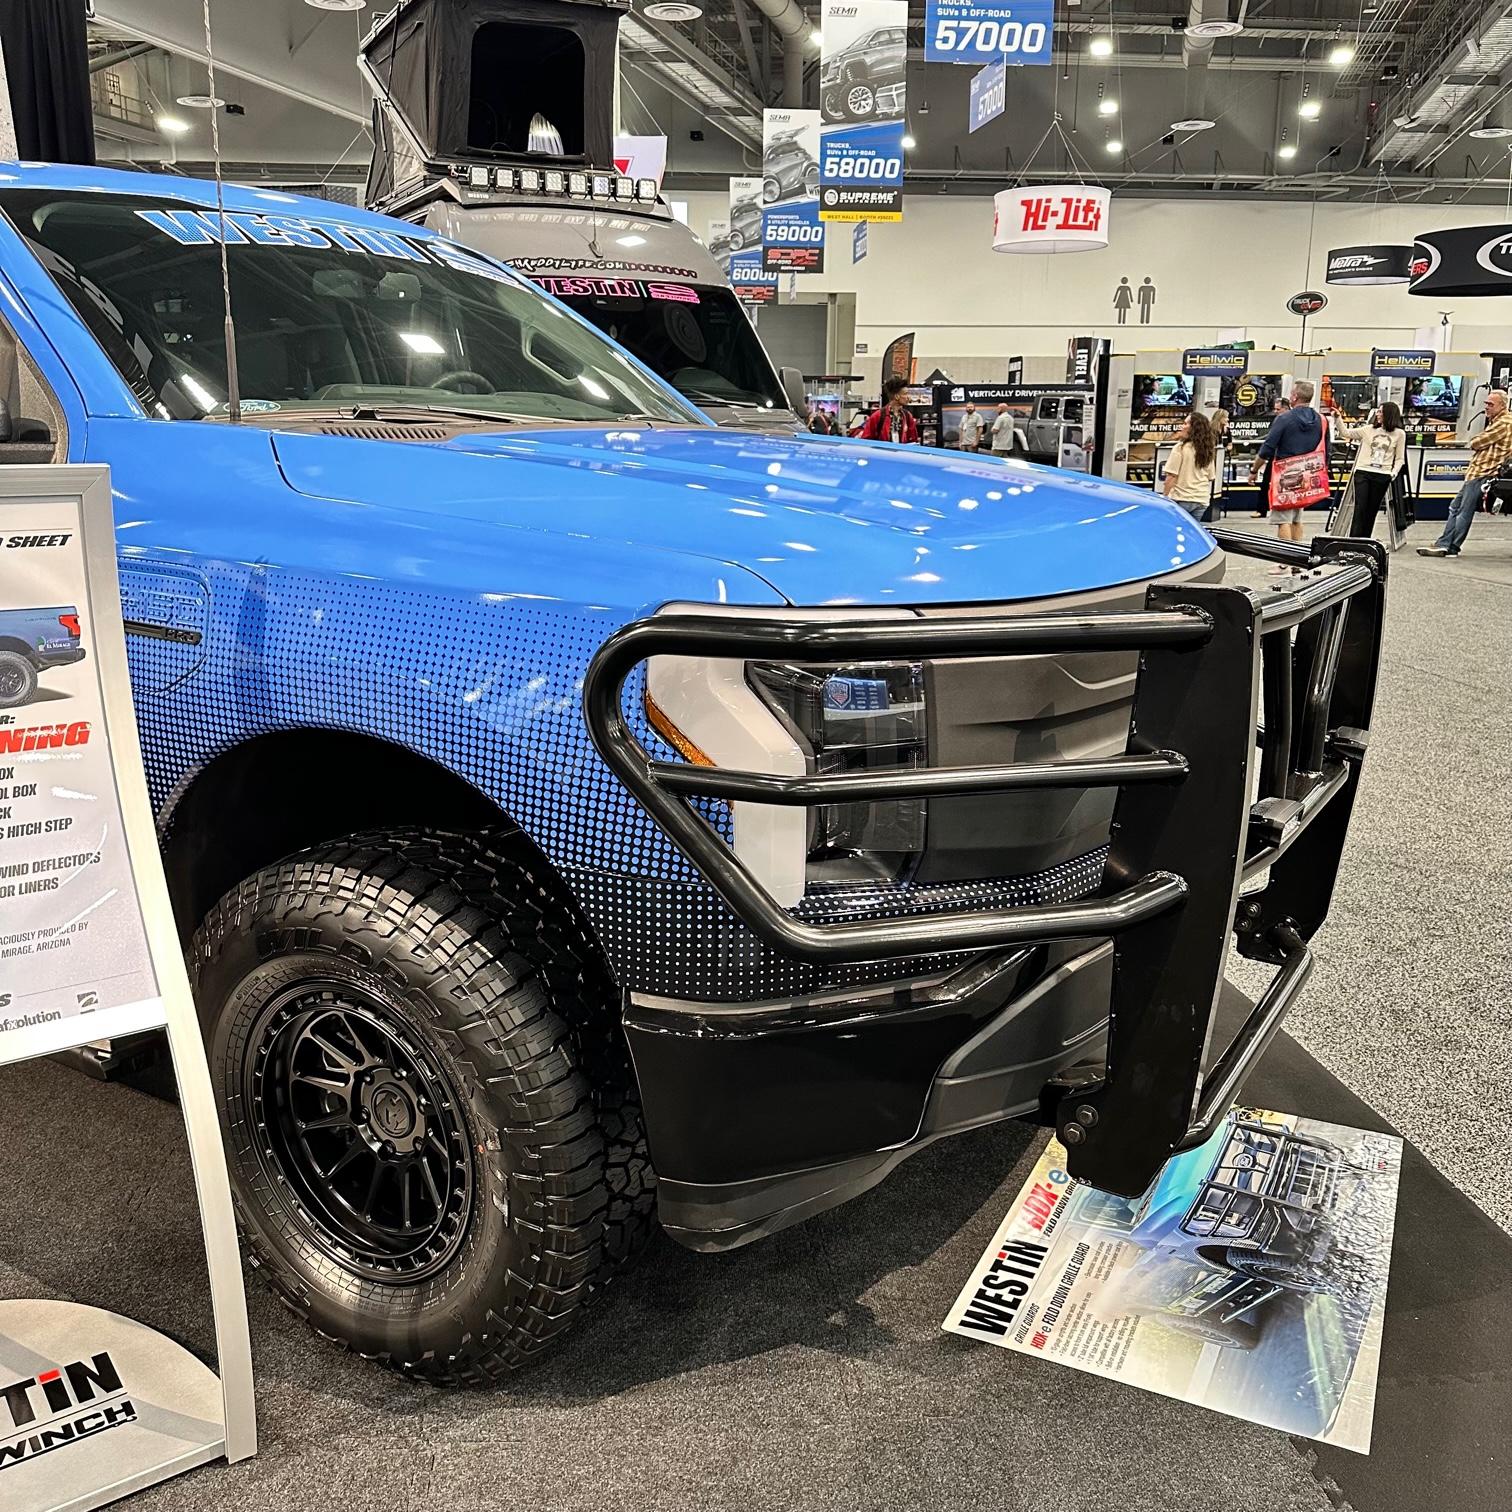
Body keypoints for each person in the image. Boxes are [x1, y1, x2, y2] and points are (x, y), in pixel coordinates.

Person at [1419, 386, 1512, 557]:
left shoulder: (1504, 423)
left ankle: (1450, 546)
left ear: (1502, 406)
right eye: (1486, 403)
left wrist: (1475, 441)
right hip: (1478, 472)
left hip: (1483, 472)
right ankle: (1445, 543)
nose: (1486, 407)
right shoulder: (1499, 421)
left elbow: (1476, 442)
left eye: (1490, 404)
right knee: (1456, 507)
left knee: (1462, 510)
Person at [1250, 381, 1326, 562]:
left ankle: (1284, 562)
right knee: (1297, 518)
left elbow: (1267, 448)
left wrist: (1254, 470)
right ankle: (1298, 560)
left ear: (1294, 397)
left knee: (1282, 518)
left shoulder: (1284, 419)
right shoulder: (1320, 419)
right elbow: (1326, 449)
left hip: (1285, 475)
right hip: (1306, 474)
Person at [1339, 401, 1405, 537]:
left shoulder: (1399, 434)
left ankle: (1365, 541)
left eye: (1381, 412)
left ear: (1389, 414)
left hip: (1383, 474)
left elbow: (1399, 458)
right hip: (1363, 472)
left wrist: (1393, 473)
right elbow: (1346, 433)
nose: (1378, 414)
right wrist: (1337, 418)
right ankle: (1354, 540)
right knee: (1360, 508)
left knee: (1372, 510)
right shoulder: (1368, 429)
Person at [1162, 411, 1217, 518]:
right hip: (1201, 500)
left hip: (1181, 499)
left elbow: (1171, 476)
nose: (1182, 426)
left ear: (1194, 429)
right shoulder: (1208, 450)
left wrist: (1164, 497)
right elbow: (1211, 476)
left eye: (1186, 424)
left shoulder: (1180, 448)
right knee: (1192, 533)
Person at [1253, 397, 1290, 517]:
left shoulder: (1287, 420)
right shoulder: (1278, 420)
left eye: (1278, 409)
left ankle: (1278, 507)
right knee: (1265, 482)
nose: (1275, 412)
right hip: (1275, 456)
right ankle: (1261, 509)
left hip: (1286, 459)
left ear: (1285, 408)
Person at [858, 376, 919, 444]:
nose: (908, 397)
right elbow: (866, 440)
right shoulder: (878, 416)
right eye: (905, 394)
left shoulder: (907, 416)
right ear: (896, 396)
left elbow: (913, 440)